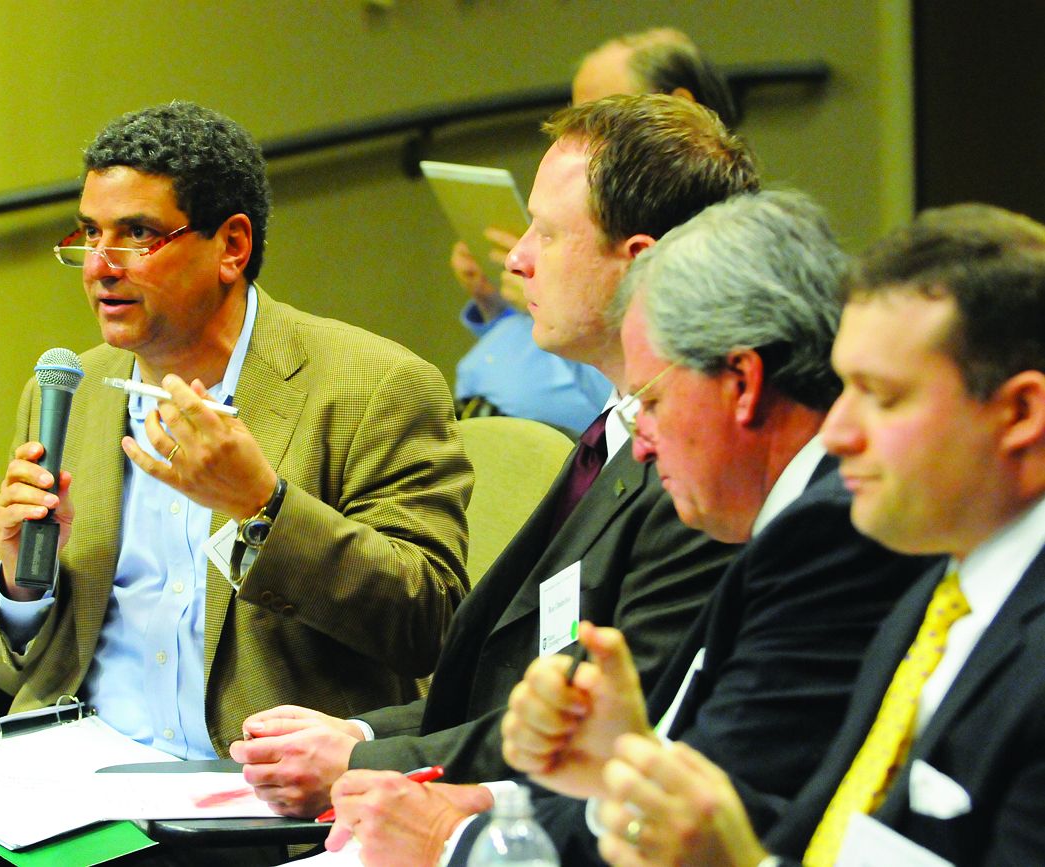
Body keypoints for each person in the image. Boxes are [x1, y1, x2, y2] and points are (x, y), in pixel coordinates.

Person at [0, 101, 471, 866]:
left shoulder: (372, 386)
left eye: (136, 234)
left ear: (231, 245)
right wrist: (19, 590)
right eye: (89, 234)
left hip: (238, 795)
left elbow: (430, 620)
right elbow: (8, 663)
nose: (100, 265)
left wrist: (261, 509)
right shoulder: (69, 390)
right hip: (72, 770)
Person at [231, 93, 754, 832]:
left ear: (637, 261)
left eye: (545, 232)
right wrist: (364, 735)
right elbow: (495, 685)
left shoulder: (697, 476)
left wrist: (360, 765)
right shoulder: (614, 425)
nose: (515, 259)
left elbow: (589, 729)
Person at [463, 191, 936, 866]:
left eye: (649, 401)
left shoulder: (828, 536)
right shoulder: (779, 523)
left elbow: (732, 812)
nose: (644, 444)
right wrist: (607, 767)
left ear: (741, 381)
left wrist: (456, 840)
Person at [584, 203, 1045, 867]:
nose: (836, 431)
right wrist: (617, 778)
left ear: (1018, 412)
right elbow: (825, 839)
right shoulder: (934, 600)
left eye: (881, 396)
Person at [452, 28, 735, 431]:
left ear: (674, 105)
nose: (585, 128)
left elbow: (623, 371)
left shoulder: (718, 243)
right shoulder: (575, 197)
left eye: (606, 108)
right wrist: (495, 305)